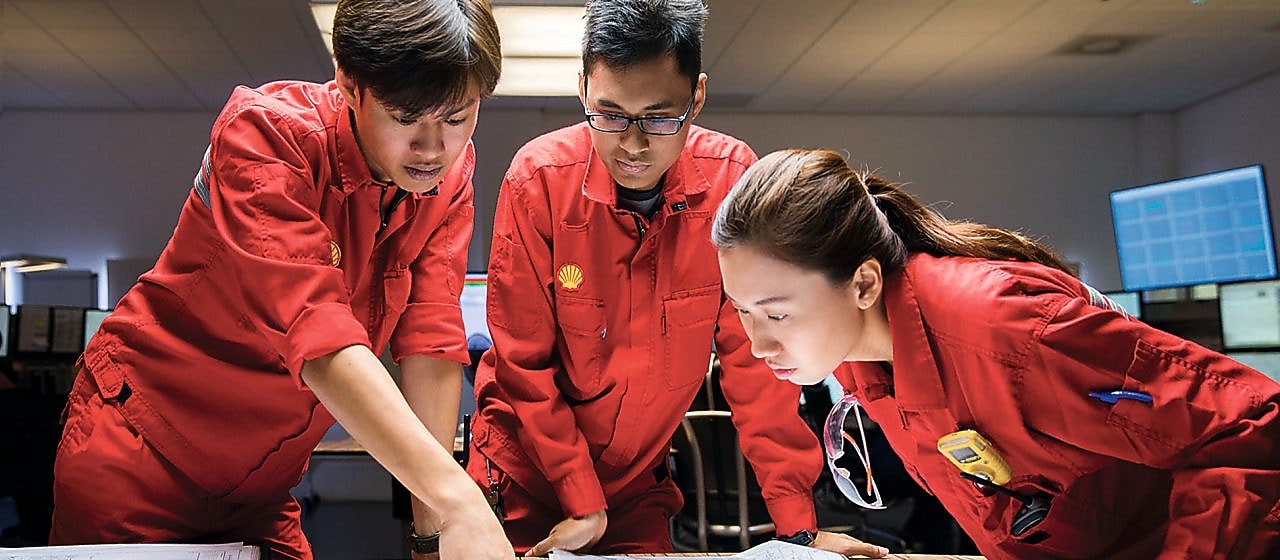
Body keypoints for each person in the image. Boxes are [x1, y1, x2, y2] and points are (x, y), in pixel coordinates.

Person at [48, 1, 513, 558]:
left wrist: (430, 535)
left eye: (457, 119)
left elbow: (431, 340)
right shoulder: (265, 136)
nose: (433, 148)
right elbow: (318, 335)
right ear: (349, 81)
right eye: (405, 117)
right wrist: (460, 500)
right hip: (142, 453)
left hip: (263, 487)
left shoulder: (447, 174)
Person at [712, 148, 1280, 559]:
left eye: (777, 313)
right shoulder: (863, 357)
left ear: (862, 284)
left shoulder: (1006, 329)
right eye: (741, 310)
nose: (758, 344)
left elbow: (1249, 427)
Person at [466, 1, 885, 557]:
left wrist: (799, 529)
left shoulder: (732, 184)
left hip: (638, 483)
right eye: (610, 115)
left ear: (698, 97)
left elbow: (758, 371)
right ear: (583, 91)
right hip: (525, 474)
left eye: (660, 118)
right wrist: (580, 497)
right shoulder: (539, 181)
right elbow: (524, 365)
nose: (633, 145)